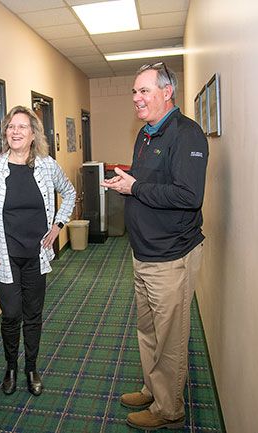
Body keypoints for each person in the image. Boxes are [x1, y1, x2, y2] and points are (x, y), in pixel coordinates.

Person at [101, 62, 208, 430]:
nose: (136, 98)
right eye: (134, 91)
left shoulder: (187, 134)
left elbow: (189, 195)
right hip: (144, 252)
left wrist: (135, 188)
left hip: (171, 256)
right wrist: (127, 181)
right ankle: (152, 388)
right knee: (147, 330)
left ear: (167, 92)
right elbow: (148, 181)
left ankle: (169, 408)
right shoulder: (146, 134)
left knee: (170, 338)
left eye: (144, 91)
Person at [0, 105, 76, 396]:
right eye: (11, 127)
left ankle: (31, 367)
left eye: (22, 127)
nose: (15, 132)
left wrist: (59, 225)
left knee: (33, 314)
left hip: (35, 255)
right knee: (11, 314)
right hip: (2, 257)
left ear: (33, 134)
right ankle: (10, 367)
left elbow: (68, 192)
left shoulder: (46, 165)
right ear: (5, 133)